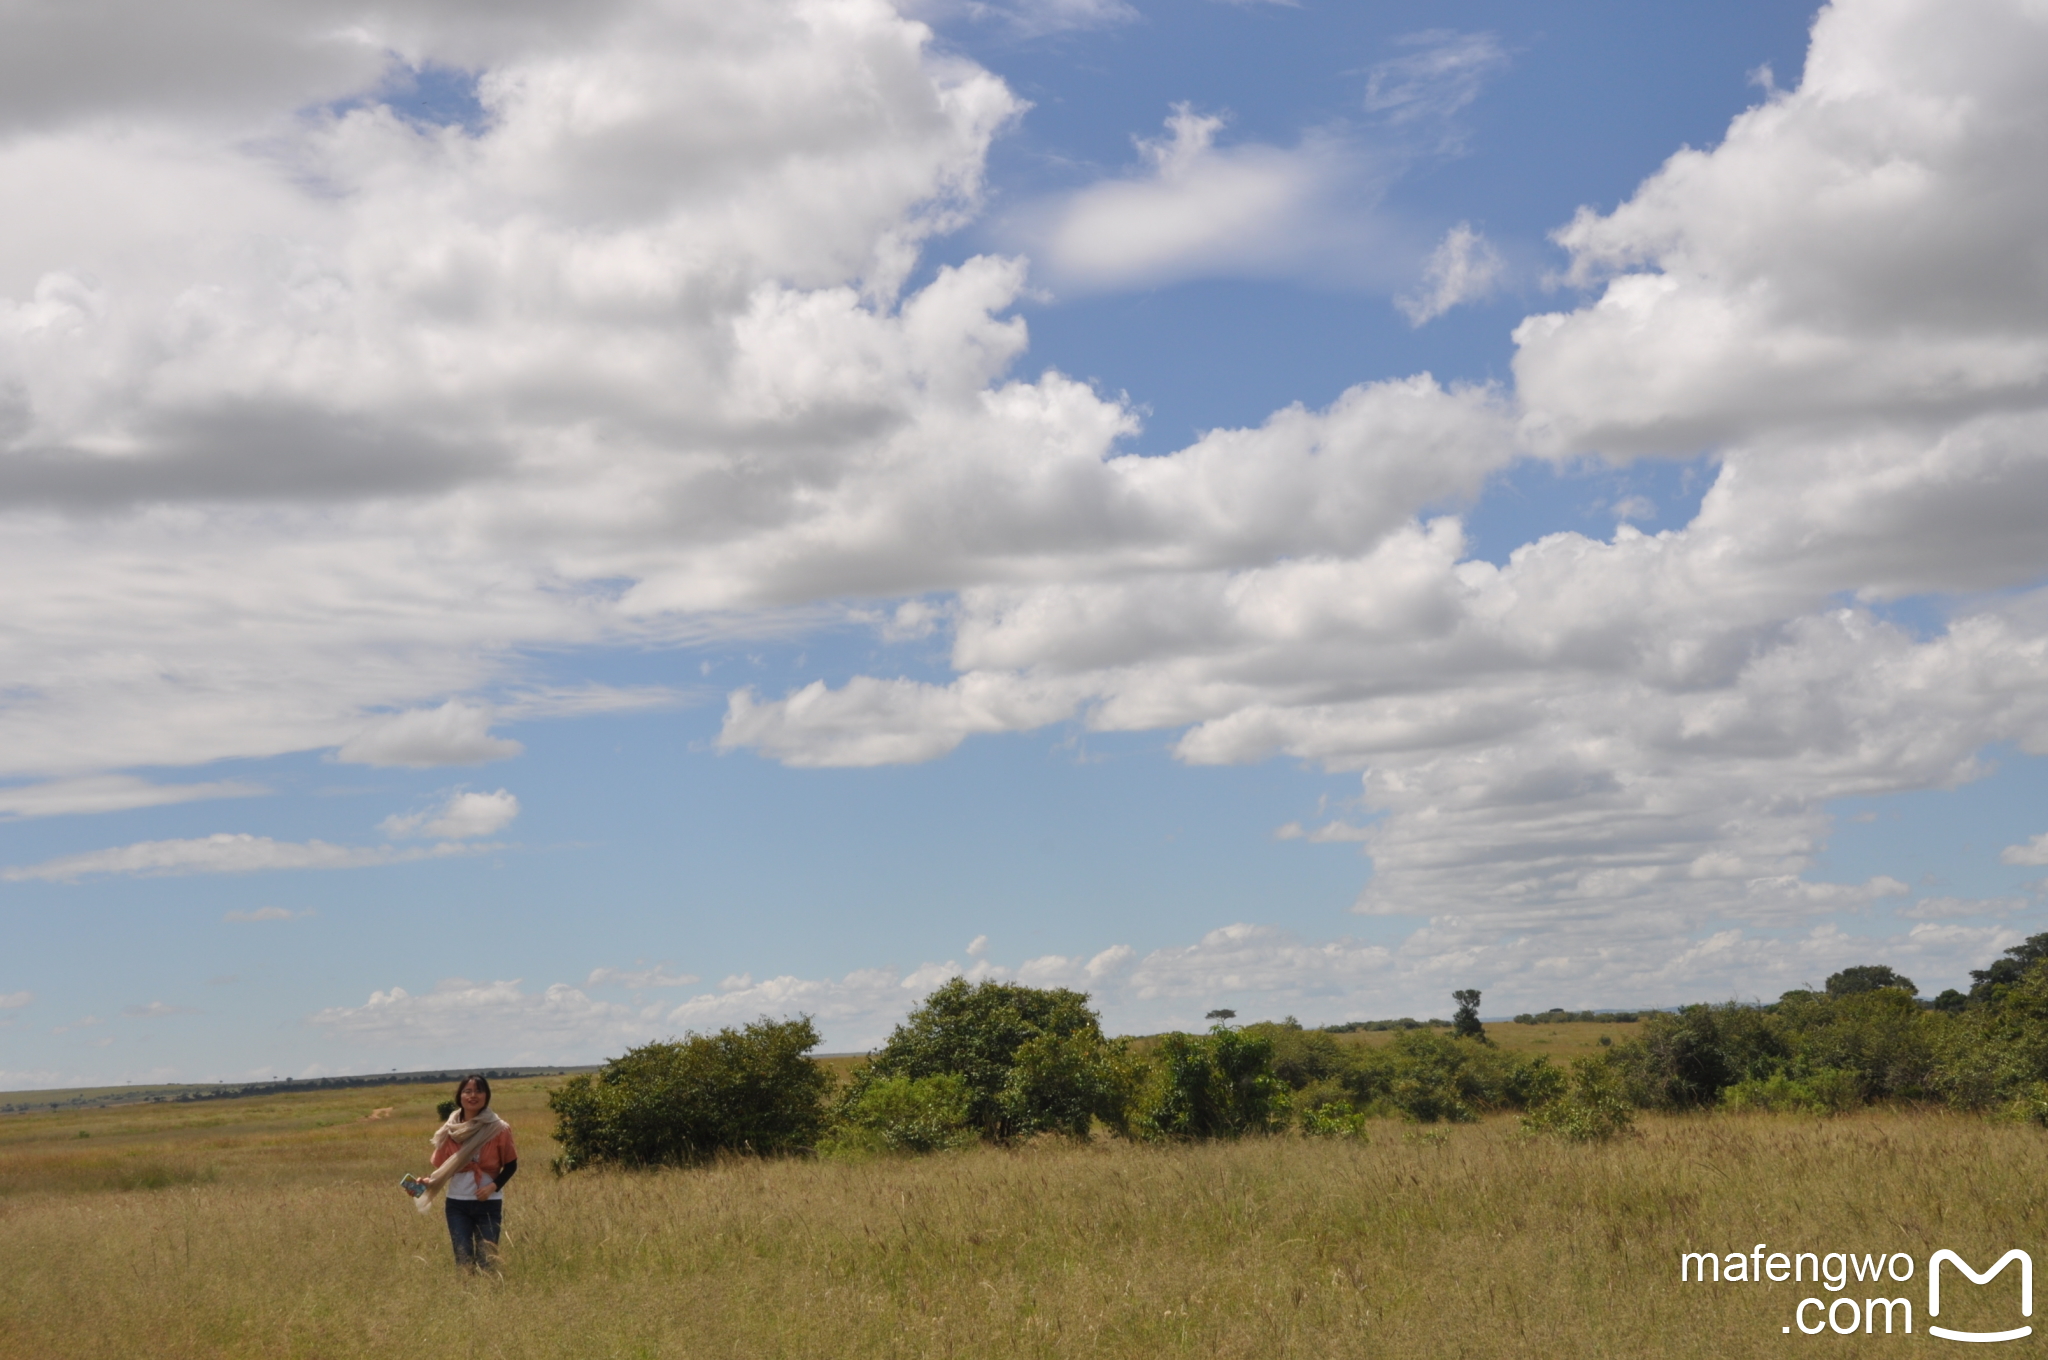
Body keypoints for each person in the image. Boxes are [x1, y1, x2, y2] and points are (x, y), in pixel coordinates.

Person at [404, 1075, 518, 1270]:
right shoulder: (450, 1130)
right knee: (463, 1260)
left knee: (487, 1261)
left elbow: (511, 1165)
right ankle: (467, 1297)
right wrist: (425, 1182)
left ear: (486, 1096)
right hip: (457, 1205)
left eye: (479, 1091)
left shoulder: (499, 1128)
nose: (473, 1095)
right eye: (468, 1091)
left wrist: (492, 1187)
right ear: (460, 1096)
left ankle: (489, 1298)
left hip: (488, 1204)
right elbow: (443, 1169)